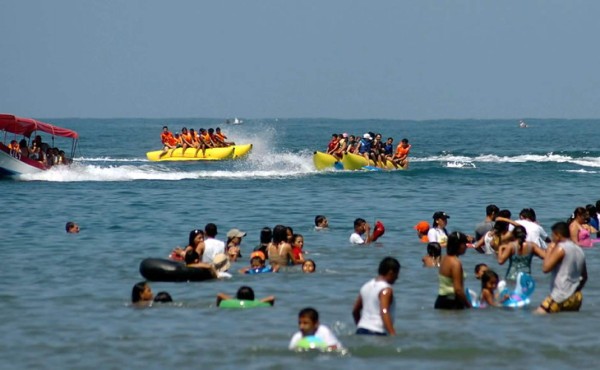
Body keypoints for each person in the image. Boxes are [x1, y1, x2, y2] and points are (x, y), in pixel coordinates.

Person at [536, 222, 587, 314]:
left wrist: (549, 250)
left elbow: (545, 268)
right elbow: (584, 276)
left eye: (553, 236)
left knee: (536, 317)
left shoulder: (560, 248)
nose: (552, 239)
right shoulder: (579, 250)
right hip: (576, 297)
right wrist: (573, 289)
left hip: (559, 296)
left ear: (558, 235)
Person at [352, 256, 400, 336]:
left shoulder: (366, 286)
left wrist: (361, 326)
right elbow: (384, 312)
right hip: (377, 332)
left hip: (360, 330)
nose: (397, 278)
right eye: (396, 274)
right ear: (391, 273)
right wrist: (392, 334)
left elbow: (355, 311)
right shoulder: (386, 289)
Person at [434, 232, 471, 310]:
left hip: (440, 300)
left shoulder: (444, 259)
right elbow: (458, 290)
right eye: (464, 244)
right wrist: (469, 306)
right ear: (459, 245)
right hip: (452, 302)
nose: (466, 247)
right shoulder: (455, 263)